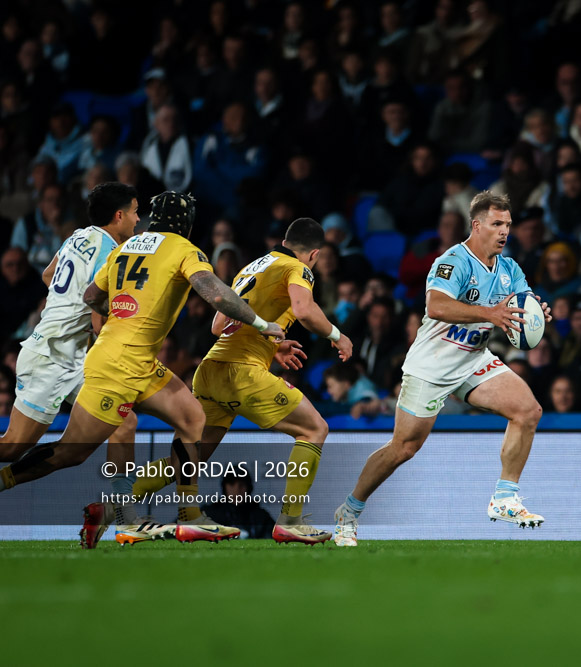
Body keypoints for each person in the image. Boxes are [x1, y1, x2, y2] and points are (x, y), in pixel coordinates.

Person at [0, 192, 287, 548]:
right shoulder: (184, 249)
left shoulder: (125, 248)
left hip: (135, 361)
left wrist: (121, 310)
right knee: (70, 452)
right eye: (133, 212)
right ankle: (9, 481)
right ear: (186, 222)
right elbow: (215, 295)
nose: (136, 218)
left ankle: (187, 516)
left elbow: (91, 296)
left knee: (192, 418)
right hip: (116, 366)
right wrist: (262, 323)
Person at [332, 192, 551, 547]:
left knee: (527, 411)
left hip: (473, 359)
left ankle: (505, 498)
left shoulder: (510, 269)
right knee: (403, 447)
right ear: (477, 225)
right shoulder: (453, 261)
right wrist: (490, 314)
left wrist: (536, 314)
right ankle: (349, 511)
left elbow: (520, 308)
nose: (504, 232)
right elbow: (435, 305)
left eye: (508, 225)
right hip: (432, 365)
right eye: (497, 224)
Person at [132, 218, 353, 545]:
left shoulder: (253, 267)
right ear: (314, 255)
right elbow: (304, 311)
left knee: (194, 455)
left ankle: (115, 503)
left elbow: (218, 325)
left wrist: (272, 344)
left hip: (211, 369)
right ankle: (291, 520)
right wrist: (338, 335)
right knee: (314, 428)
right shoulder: (297, 268)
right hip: (242, 372)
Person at [1, 183, 140, 508]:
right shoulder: (110, 254)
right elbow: (99, 324)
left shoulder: (78, 236)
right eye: (134, 212)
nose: (138, 219)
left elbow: (49, 275)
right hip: (49, 358)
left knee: (123, 420)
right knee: (11, 447)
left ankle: (122, 512)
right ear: (118, 216)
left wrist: (67, 307)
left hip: (73, 358)